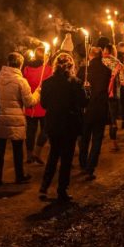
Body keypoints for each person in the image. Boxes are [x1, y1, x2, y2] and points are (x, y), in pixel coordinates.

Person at [39, 53, 87, 201]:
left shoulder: (47, 83)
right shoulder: (76, 83)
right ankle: (62, 190)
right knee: (66, 159)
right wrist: (87, 91)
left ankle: (44, 187)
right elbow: (83, 103)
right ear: (72, 66)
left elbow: (44, 104)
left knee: (53, 155)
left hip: (54, 124)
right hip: (70, 125)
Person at [0, 52, 39, 187]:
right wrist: (37, 93)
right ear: (20, 65)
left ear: (7, 62)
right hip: (15, 121)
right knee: (17, 151)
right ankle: (19, 176)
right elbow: (29, 102)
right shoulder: (21, 82)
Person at [77, 40, 111, 181]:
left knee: (84, 138)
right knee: (97, 139)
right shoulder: (106, 70)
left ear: (90, 55)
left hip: (86, 108)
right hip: (100, 108)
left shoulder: (83, 70)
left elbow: (77, 90)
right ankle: (90, 167)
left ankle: (83, 163)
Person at [23, 47, 52, 165]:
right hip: (44, 105)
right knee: (46, 130)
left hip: (30, 106)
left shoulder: (26, 69)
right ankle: (37, 153)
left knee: (30, 131)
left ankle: (29, 155)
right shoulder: (48, 70)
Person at [102, 43, 124, 151]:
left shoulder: (98, 61)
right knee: (113, 120)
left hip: (101, 93)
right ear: (114, 51)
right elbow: (123, 82)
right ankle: (113, 143)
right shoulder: (118, 63)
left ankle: (99, 136)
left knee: (101, 116)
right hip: (113, 94)